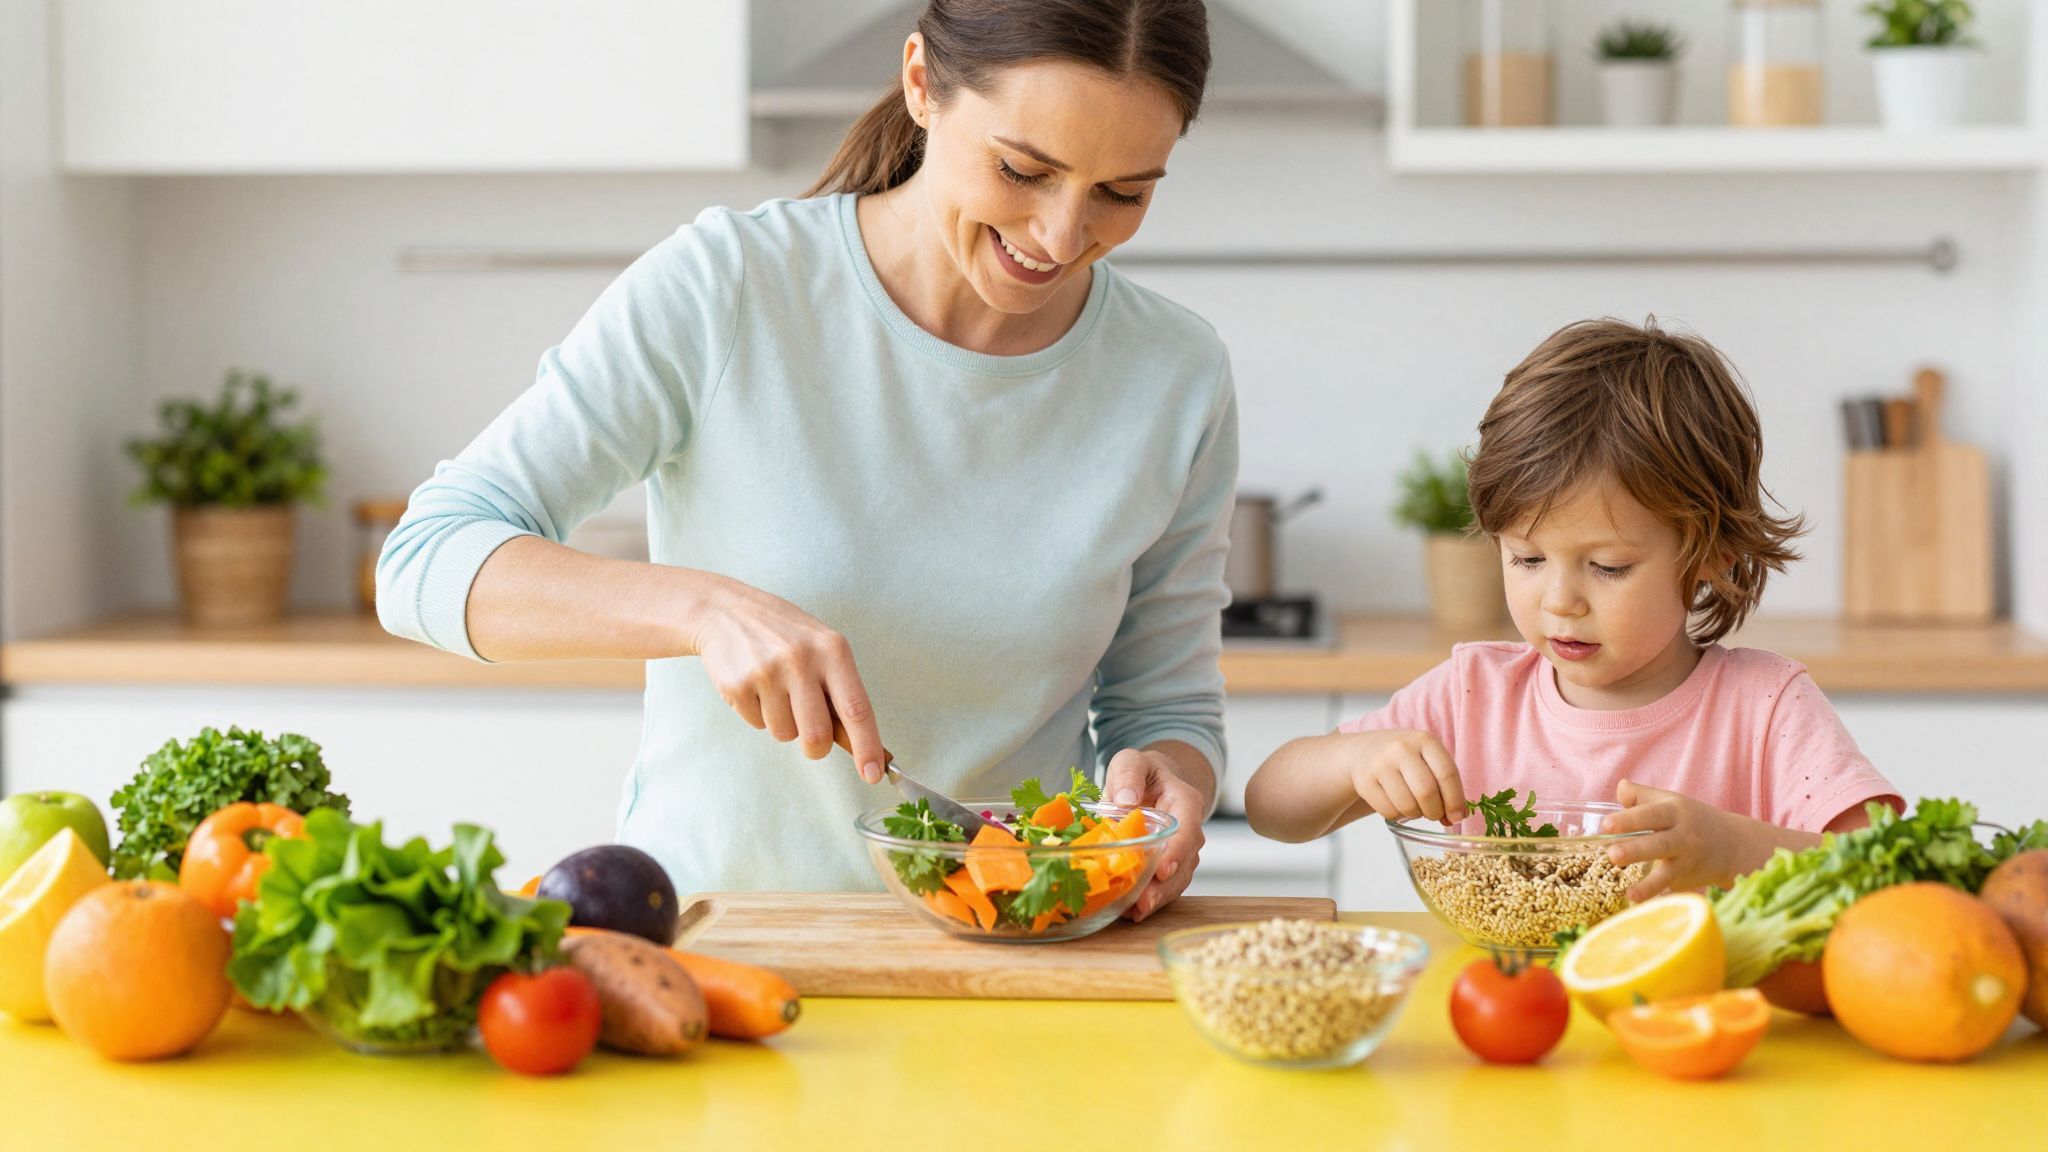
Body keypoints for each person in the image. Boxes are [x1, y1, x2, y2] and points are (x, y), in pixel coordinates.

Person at [378, 0, 1231, 918]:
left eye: (1124, 192)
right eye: (1023, 169)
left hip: (1005, 954)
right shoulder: (731, 286)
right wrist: (703, 609)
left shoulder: (1173, 375)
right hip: (719, 945)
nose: (1062, 237)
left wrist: (1171, 785)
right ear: (921, 84)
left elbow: (1165, 711)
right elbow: (425, 560)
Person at [1246, 318, 1900, 900]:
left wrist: (1735, 851)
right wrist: (1354, 761)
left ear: (1712, 554)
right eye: (1527, 560)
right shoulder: (1475, 695)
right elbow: (1271, 807)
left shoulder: (1766, 708)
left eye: (1608, 566)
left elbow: (1890, 874)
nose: (1559, 601)